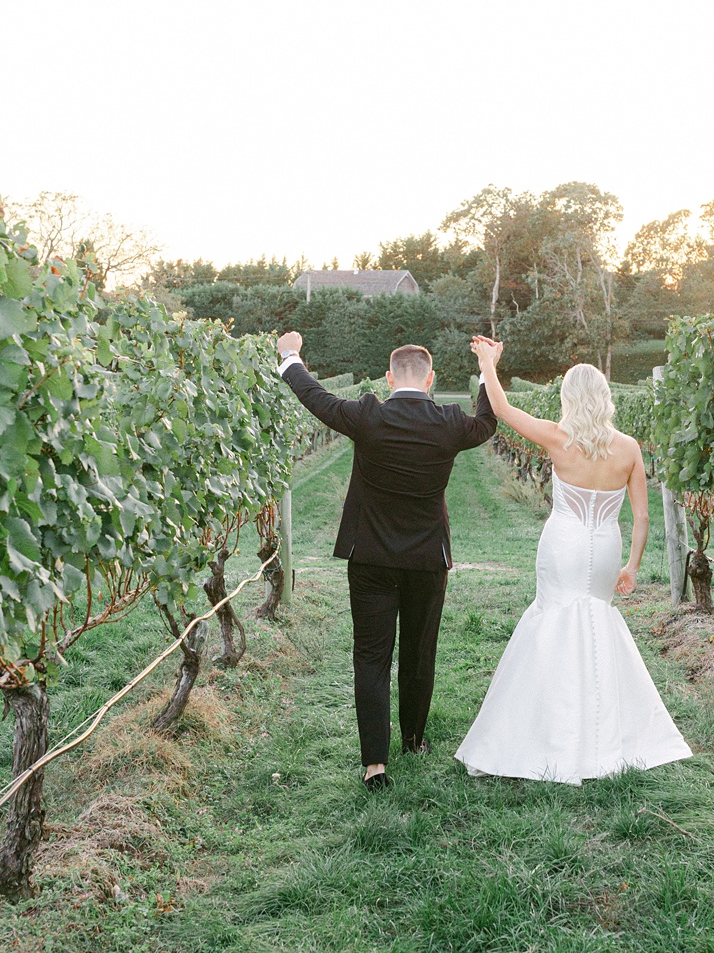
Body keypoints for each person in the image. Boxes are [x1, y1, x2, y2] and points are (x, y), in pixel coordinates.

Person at [455, 338, 692, 784]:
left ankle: (547, 732)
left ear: (568, 399)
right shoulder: (629, 448)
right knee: (596, 620)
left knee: (554, 619)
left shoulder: (558, 437)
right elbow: (641, 517)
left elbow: (502, 409)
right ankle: (600, 732)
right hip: (605, 546)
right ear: (605, 399)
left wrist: (488, 362)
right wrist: (633, 568)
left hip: (563, 542)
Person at [276, 334, 498, 789]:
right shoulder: (451, 423)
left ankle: (375, 763)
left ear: (389, 378)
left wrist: (290, 356)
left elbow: (314, 398)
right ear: (432, 380)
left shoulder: (367, 415)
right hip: (426, 559)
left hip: (371, 557)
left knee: (371, 656)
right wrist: (486, 367)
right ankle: (414, 739)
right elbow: (489, 419)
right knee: (419, 652)